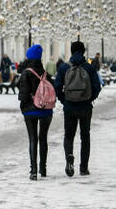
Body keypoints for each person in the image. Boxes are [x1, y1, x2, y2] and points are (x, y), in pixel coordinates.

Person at [55, 40, 102, 177]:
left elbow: (57, 87)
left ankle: (69, 156)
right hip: (85, 107)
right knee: (85, 136)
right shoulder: (89, 68)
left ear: (71, 51)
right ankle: (83, 167)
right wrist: (89, 98)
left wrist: (64, 100)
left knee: (69, 136)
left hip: (69, 106)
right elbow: (97, 87)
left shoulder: (64, 68)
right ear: (83, 52)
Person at [19, 44, 53, 180]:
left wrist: (24, 106)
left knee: (33, 139)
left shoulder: (26, 72)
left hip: (30, 111)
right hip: (45, 110)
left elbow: (23, 95)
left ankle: (33, 171)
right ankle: (43, 168)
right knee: (43, 138)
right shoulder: (45, 73)